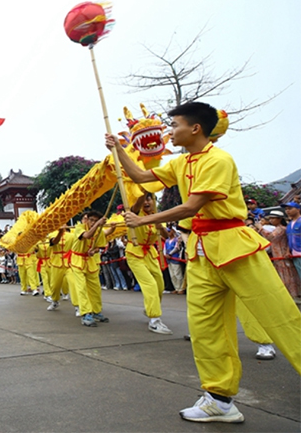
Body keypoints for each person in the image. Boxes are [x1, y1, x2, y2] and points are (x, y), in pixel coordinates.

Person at [106, 101, 301, 423]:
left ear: (195, 128)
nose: (171, 131)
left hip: (235, 247)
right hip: (201, 252)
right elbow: (141, 175)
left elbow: (192, 206)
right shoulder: (181, 163)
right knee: (205, 328)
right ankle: (219, 400)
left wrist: (144, 221)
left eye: (176, 125)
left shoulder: (219, 160)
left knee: (280, 315)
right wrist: (119, 151)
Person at [127, 192, 172, 335]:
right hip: (135, 253)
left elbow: (167, 236)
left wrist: (161, 227)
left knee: (159, 284)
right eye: (145, 199)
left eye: (150, 199)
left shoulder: (156, 215)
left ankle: (149, 309)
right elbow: (137, 205)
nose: (147, 202)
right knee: (150, 285)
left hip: (150, 254)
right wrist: (144, 189)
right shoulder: (134, 213)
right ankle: (154, 320)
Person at [69, 211, 112, 327]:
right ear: (86, 219)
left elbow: (99, 247)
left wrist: (94, 251)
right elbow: (87, 235)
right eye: (91, 220)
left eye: (95, 220)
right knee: (81, 287)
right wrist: (98, 224)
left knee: (95, 288)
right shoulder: (79, 227)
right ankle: (86, 313)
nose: (93, 223)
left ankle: (96, 311)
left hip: (90, 262)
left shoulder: (99, 231)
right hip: (77, 261)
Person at [255, 210, 300, 298]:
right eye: (270, 218)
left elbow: (270, 237)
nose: (271, 220)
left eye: (273, 218)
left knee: (288, 274)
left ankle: (293, 293)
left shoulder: (281, 228)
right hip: (277, 254)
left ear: (279, 219)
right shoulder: (277, 228)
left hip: (282, 254)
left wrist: (260, 228)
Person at [283, 201, 301, 292]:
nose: (287, 211)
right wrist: (287, 251)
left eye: (290, 209)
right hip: (294, 253)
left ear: (298, 209)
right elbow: (288, 239)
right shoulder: (289, 224)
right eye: (286, 209)